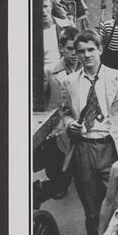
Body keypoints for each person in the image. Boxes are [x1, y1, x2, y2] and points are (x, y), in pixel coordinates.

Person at [60, 30, 118, 235]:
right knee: (89, 199)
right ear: (76, 53)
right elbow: (65, 113)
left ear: (100, 49)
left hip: (111, 146)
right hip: (84, 147)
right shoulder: (69, 82)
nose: (86, 55)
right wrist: (70, 125)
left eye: (91, 50)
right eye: (81, 51)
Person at [37, 25, 79, 203]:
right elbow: (39, 101)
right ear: (61, 48)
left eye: (77, 48)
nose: (75, 53)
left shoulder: (86, 69)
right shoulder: (50, 72)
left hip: (79, 128)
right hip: (58, 131)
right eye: (70, 49)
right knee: (58, 176)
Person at [98, 5, 118, 72]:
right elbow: (101, 41)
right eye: (117, 15)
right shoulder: (107, 25)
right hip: (109, 55)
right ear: (113, 14)